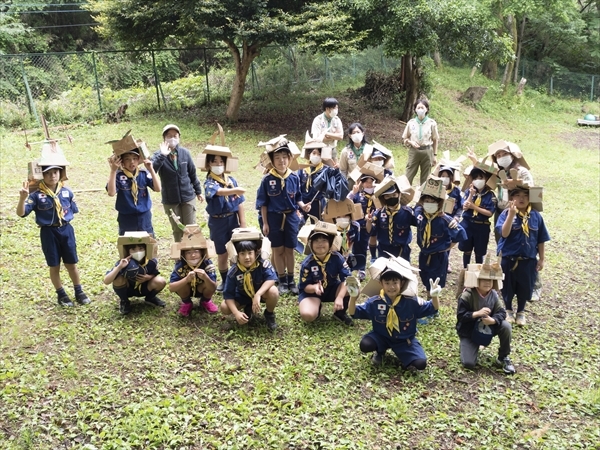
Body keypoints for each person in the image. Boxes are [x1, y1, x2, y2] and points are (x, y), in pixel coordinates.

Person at [16, 165, 91, 307]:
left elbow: (73, 210)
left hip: (66, 230)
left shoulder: (67, 192)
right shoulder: (36, 195)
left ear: (60, 173)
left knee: (71, 263)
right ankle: (61, 294)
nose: (52, 176)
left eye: (55, 172)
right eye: (48, 173)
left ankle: (79, 291)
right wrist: (22, 198)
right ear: (42, 175)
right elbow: (21, 213)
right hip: (48, 233)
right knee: (54, 265)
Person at [349, 256, 441, 370]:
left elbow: (433, 308)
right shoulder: (375, 302)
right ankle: (380, 351)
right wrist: (353, 298)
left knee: (420, 364)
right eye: (387, 283)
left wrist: (435, 297)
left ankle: (403, 355)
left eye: (395, 282)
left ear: (401, 283)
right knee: (366, 344)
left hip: (404, 340)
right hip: (381, 337)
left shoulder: (411, 302)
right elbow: (354, 313)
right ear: (381, 284)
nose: (391, 287)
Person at [256, 136, 309, 295]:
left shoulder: (294, 177)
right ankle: (282, 278)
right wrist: (265, 223)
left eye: (284, 158)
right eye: (277, 158)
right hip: (273, 219)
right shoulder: (267, 179)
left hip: (291, 217)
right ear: (272, 160)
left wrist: (302, 205)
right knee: (277, 249)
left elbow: (298, 197)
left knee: (290, 250)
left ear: (290, 158)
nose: (281, 161)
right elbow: (263, 203)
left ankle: (291, 279)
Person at [496, 186, 550, 326]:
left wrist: (542, 259)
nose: (521, 198)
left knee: (525, 286)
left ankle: (521, 312)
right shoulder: (505, 214)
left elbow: (541, 238)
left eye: (525, 195)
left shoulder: (536, 216)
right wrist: (511, 216)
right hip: (509, 258)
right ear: (511, 198)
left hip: (528, 259)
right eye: (517, 195)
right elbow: (504, 233)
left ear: (530, 198)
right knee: (507, 285)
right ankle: (508, 310)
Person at [201, 128, 246, 292]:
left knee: (235, 251)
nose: (218, 165)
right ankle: (225, 280)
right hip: (218, 221)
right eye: (215, 162)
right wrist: (235, 190)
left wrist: (243, 223)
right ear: (208, 165)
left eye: (221, 162)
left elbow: (240, 203)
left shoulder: (231, 180)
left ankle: (236, 278)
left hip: (232, 219)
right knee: (222, 253)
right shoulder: (209, 182)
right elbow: (219, 192)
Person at [456, 259, 516, 374]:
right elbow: (461, 316)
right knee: (468, 364)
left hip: (488, 328)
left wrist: (493, 320)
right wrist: (476, 314)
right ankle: (469, 345)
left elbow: (502, 312)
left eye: (490, 279)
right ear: (477, 280)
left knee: (506, 326)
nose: (487, 282)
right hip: (469, 331)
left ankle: (503, 356)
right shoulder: (467, 295)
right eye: (483, 279)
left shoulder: (493, 294)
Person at [413, 177, 466, 296]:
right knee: (425, 277)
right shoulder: (419, 214)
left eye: (433, 202)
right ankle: (429, 299)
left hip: (439, 256)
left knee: (436, 281)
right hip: (424, 254)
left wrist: (448, 247)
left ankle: (434, 305)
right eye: (426, 201)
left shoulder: (445, 220)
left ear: (439, 203)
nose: (429, 204)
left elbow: (460, 234)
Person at [152, 124, 204, 242]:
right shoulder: (158, 155)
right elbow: (152, 170)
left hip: (188, 196)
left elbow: (192, 173)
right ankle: (180, 257)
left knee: (191, 227)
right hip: (171, 199)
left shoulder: (185, 153)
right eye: (169, 136)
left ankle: (192, 253)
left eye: (175, 135)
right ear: (164, 138)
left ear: (179, 137)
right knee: (177, 229)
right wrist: (162, 155)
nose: (172, 138)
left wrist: (198, 191)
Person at [220, 229, 279, 331]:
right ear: (237, 255)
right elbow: (228, 295)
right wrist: (236, 313)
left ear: (256, 253)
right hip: (242, 296)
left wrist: (258, 294)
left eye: (250, 253)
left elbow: (272, 279)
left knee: (273, 291)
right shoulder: (234, 271)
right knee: (224, 307)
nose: (247, 257)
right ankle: (247, 306)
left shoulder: (262, 264)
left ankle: (269, 314)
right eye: (242, 253)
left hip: (261, 295)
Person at [298, 222, 353, 325]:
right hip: (312, 293)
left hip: (332, 288)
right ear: (311, 244)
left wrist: (340, 297)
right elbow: (304, 286)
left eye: (324, 240)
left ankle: (339, 312)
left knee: (354, 287)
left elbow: (348, 279)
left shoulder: (337, 258)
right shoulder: (307, 263)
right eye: (316, 241)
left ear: (330, 243)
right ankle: (316, 306)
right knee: (308, 315)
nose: (320, 244)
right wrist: (314, 288)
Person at [106, 134, 161, 236]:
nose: (132, 162)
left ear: (138, 159)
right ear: (121, 161)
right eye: (127, 159)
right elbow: (111, 192)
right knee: (128, 245)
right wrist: (113, 171)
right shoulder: (118, 176)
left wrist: (151, 169)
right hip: (126, 218)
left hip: (144, 217)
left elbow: (158, 189)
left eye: (135, 158)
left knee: (147, 244)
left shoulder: (144, 174)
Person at [103, 232, 166, 315]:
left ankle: (150, 298)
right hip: (128, 289)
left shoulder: (151, 262)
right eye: (133, 249)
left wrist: (148, 277)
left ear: (145, 249)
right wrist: (119, 267)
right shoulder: (124, 262)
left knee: (161, 281)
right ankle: (124, 301)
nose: (138, 252)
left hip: (144, 288)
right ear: (128, 251)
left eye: (141, 248)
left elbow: (155, 273)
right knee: (118, 278)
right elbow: (106, 281)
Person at [168, 225, 218, 316]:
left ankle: (205, 301)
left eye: (196, 251)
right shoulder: (180, 264)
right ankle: (186, 303)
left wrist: (206, 278)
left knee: (209, 283)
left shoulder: (207, 264)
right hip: (187, 289)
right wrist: (186, 279)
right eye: (189, 253)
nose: (193, 255)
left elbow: (213, 288)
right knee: (181, 283)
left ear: (202, 252)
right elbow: (171, 288)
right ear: (183, 254)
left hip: (201, 288)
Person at [367, 176, 415, 262]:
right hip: (384, 251)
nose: (391, 198)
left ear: (399, 195)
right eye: (388, 196)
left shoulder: (408, 213)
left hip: (402, 251)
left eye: (394, 195)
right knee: (386, 274)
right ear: (383, 198)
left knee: (403, 274)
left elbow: (422, 224)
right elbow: (371, 232)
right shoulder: (378, 214)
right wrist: (369, 221)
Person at [459, 164, 497, 268]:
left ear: (486, 180)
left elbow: (489, 213)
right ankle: (466, 270)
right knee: (466, 249)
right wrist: (471, 195)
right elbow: (465, 207)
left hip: (482, 226)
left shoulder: (491, 195)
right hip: (467, 225)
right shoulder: (469, 191)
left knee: (479, 252)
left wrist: (474, 207)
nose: (477, 180)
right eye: (475, 178)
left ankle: (477, 272)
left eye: (481, 178)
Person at [348, 169, 383, 280]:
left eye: (370, 182)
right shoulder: (358, 195)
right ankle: (356, 267)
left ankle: (363, 267)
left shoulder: (377, 197)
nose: (368, 184)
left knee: (364, 246)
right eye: (366, 182)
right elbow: (347, 202)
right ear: (362, 183)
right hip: (358, 226)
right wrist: (353, 192)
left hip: (372, 225)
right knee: (356, 247)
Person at [402, 99, 439, 186]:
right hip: (414, 151)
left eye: (422, 107)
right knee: (408, 175)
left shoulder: (432, 123)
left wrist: (435, 155)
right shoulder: (411, 123)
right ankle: (405, 196)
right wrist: (410, 142)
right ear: (415, 109)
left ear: (427, 109)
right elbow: (405, 138)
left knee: (426, 178)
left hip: (427, 151)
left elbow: (435, 139)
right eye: (418, 107)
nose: (420, 109)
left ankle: (423, 198)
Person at [297, 133, 334, 220]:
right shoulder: (302, 169)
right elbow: (297, 187)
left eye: (319, 154)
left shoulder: (326, 170)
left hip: (318, 203)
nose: (316, 156)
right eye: (314, 153)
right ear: (309, 154)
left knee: (318, 228)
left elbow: (331, 189)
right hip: (302, 202)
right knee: (298, 225)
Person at [311, 97, 343, 163]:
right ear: (327, 109)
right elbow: (316, 139)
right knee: (320, 169)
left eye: (337, 108)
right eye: (334, 108)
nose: (336, 110)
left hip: (332, 148)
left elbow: (340, 136)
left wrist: (325, 134)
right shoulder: (318, 120)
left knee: (334, 168)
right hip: (320, 150)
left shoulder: (337, 119)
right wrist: (334, 136)